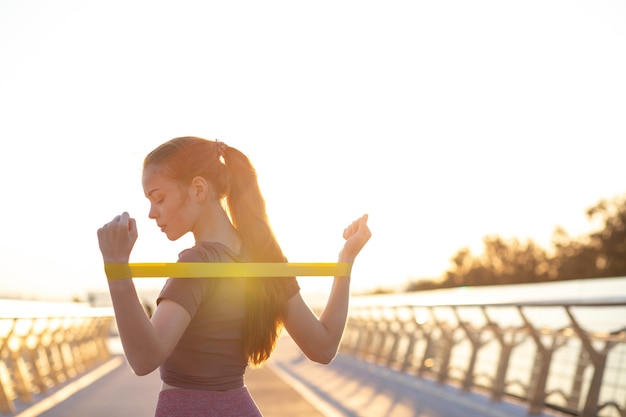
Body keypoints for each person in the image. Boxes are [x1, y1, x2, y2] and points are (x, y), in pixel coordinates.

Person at [97, 136, 371, 416]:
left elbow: (144, 359)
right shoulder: (263, 259)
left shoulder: (198, 262)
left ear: (198, 189)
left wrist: (116, 268)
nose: (152, 213)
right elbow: (323, 348)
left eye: (159, 198)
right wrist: (345, 261)